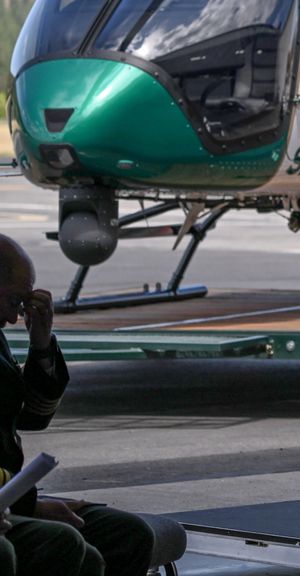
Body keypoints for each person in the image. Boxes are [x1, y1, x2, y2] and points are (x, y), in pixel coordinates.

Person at [0, 234, 154, 576]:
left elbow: (34, 417)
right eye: (14, 302)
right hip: (9, 499)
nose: (14, 318)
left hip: (11, 498)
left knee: (128, 535)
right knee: (61, 543)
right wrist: (32, 504)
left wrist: (41, 345)